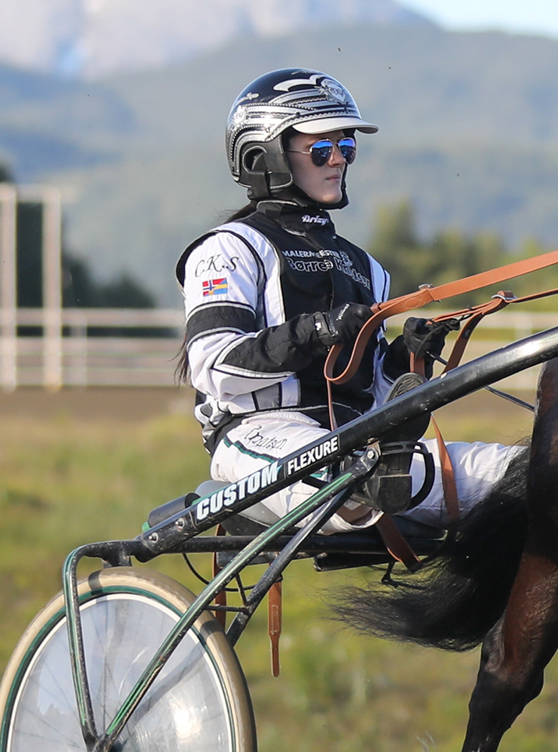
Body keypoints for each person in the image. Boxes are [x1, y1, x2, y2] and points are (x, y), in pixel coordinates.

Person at [178, 69, 519, 533]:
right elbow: (213, 366)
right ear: (264, 156)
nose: (338, 160)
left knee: (528, 471)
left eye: (347, 148)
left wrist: (406, 360)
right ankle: (371, 481)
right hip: (260, 434)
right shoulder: (229, 249)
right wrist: (314, 331)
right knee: (355, 479)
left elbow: (373, 397)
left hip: (361, 442)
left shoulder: (366, 267)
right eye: (322, 149)